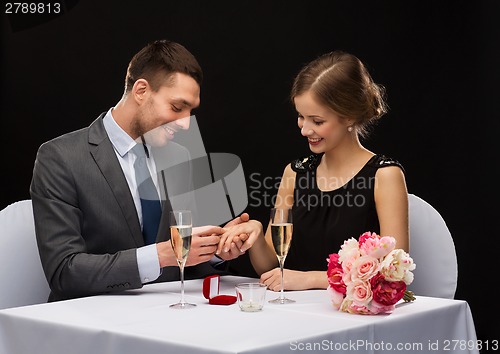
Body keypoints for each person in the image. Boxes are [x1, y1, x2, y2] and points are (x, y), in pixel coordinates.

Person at [30, 39, 246, 302]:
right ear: (141, 90)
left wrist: (216, 250)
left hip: (170, 315)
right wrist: (160, 255)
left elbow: (184, 259)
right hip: (90, 322)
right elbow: (64, 272)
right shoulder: (60, 157)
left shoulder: (180, 157)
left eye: (191, 111)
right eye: (177, 108)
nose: (187, 125)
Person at [218, 51, 409, 291]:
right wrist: (254, 235)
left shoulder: (385, 175)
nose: (304, 130)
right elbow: (270, 268)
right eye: (300, 117)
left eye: (317, 121)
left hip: (352, 317)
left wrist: (310, 279)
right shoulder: (294, 173)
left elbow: (394, 269)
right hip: (295, 312)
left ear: (349, 116)